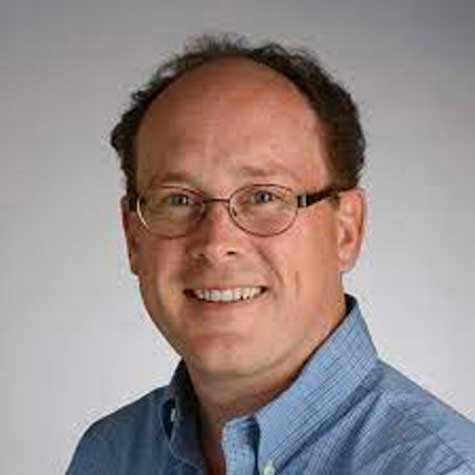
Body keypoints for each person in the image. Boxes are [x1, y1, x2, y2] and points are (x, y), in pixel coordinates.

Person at [67, 35, 475, 475]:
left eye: (263, 196)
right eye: (179, 200)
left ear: (346, 230)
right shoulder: (110, 456)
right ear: (133, 239)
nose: (215, 242)